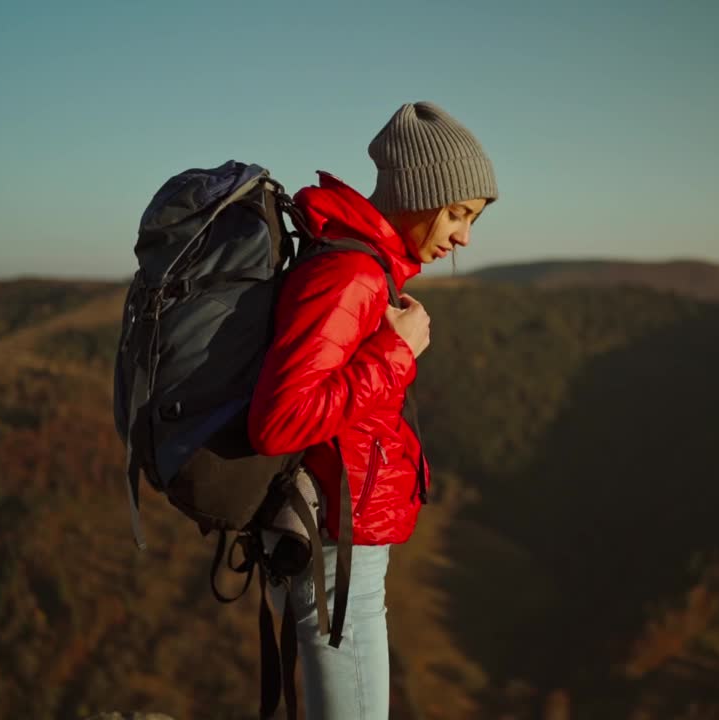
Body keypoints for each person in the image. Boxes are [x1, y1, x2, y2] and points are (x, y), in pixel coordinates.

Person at [247, 100, 497, 720]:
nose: (464, 236)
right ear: (416, 195)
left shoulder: (363, 268)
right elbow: (278, 420)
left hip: (333, 534)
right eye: (457, 213)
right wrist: (397, 351)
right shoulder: (352, 276)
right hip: (333, 549)